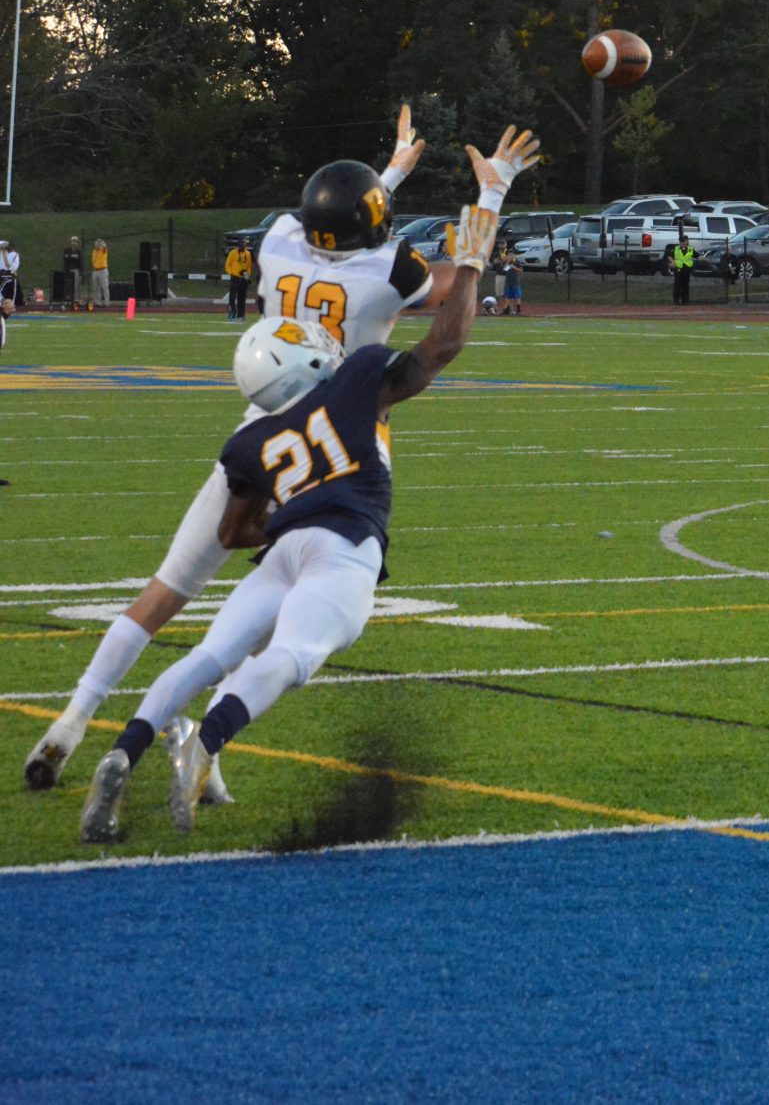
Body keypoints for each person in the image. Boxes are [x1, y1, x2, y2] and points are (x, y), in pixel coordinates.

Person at [25, 106, 453, 795]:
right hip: (342, 434)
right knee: (285, 604)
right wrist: (405, 185)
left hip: (260, 430)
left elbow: (338, 230)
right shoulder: (392, 268)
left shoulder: (279, 239)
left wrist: (388, 174)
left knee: (167, 590)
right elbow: (391, 262)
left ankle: (73, 721)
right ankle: (208, 742)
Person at [75, 174, 516, 843]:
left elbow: (233, 530)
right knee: (294, 653)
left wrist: (279, 509)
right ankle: (208, 740)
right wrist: (476, 261)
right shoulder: (358, 382)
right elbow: (442, 345)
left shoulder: (249, 439)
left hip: (280, 552)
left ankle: (122, 751)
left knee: (209, 654)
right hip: (342, 548)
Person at [223, 238, 253, 321]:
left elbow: (249, 266)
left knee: (242, 297)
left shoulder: (248, 253)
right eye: (243, 243)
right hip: (235, 277)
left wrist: (247, 275)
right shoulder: (233, 253)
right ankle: (232, 314)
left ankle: (241, 315)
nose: (244, 245)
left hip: (244, 278)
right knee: (232, 297)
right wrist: (231, 273)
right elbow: (228, 264)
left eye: (245, 243)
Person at [671, 231, 695, 304]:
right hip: (678, 269)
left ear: (686, 242)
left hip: (687, 270)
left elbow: (697, 255)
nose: (682, 243)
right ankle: (676, 301)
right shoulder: (676, 248)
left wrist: (704, 259)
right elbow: (669, 255)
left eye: (684, 241)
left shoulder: (690, 249)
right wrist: (673, 262)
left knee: (686, 286)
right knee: (677, 285)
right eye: (681, 242)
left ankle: (685, 301)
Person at [61, 237, 83, 309]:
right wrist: (73, 257)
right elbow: (66, 259)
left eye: (75, 241)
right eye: (73, 241)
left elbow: (80, 262)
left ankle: (76, 300)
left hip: (76, 270)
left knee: (76, 286)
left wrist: (81, 272)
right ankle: (67, 299)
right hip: (68, 270)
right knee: (67, 286)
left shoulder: (79, 251)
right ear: (70, 242)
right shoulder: (66, 250)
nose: (74, 243)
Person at [89, 239, 110, 309]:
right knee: (96, 287)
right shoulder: (94, 252)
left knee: (104, 287)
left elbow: (105, 247)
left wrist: (103, 244)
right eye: (96, 244)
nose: (97, 245)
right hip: (95, 270)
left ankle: (106, 302)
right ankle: (98, 302)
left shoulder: (103, 250)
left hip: (102, 270)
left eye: (98, 244)